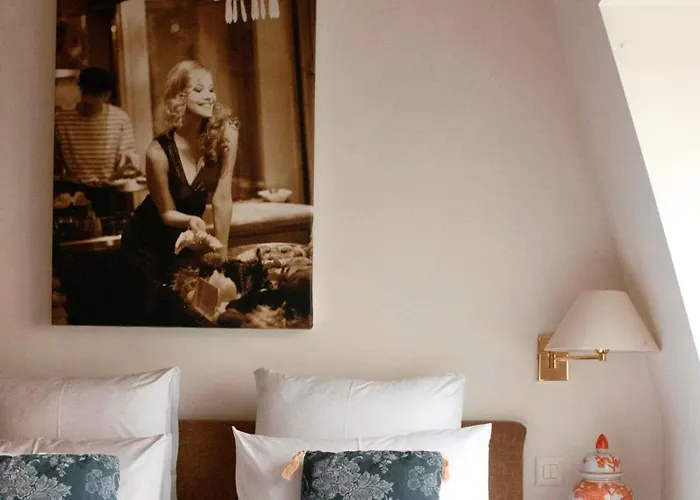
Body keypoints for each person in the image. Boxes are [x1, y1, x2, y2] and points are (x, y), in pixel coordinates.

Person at [118, 60, 239, 325]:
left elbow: (222, 198)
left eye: (211, 89)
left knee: (200, 313)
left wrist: (222, 256)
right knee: (158, 318)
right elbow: (166, 212)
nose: (209, 96)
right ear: (179, 97)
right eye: (199, 89)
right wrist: (191, 220)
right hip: (146, 248)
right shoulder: (157, 152)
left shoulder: (226, 134)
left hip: (185, 245)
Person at [54, 66, 139, 187]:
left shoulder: (120, 119)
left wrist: (123, 171)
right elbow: (53, 162)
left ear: (106, 95)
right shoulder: (61, 121)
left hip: (109, 188)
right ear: (81, 90)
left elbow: (128, 157)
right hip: (74, 189)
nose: (90, 99)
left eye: (95, 94)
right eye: (87, 93)